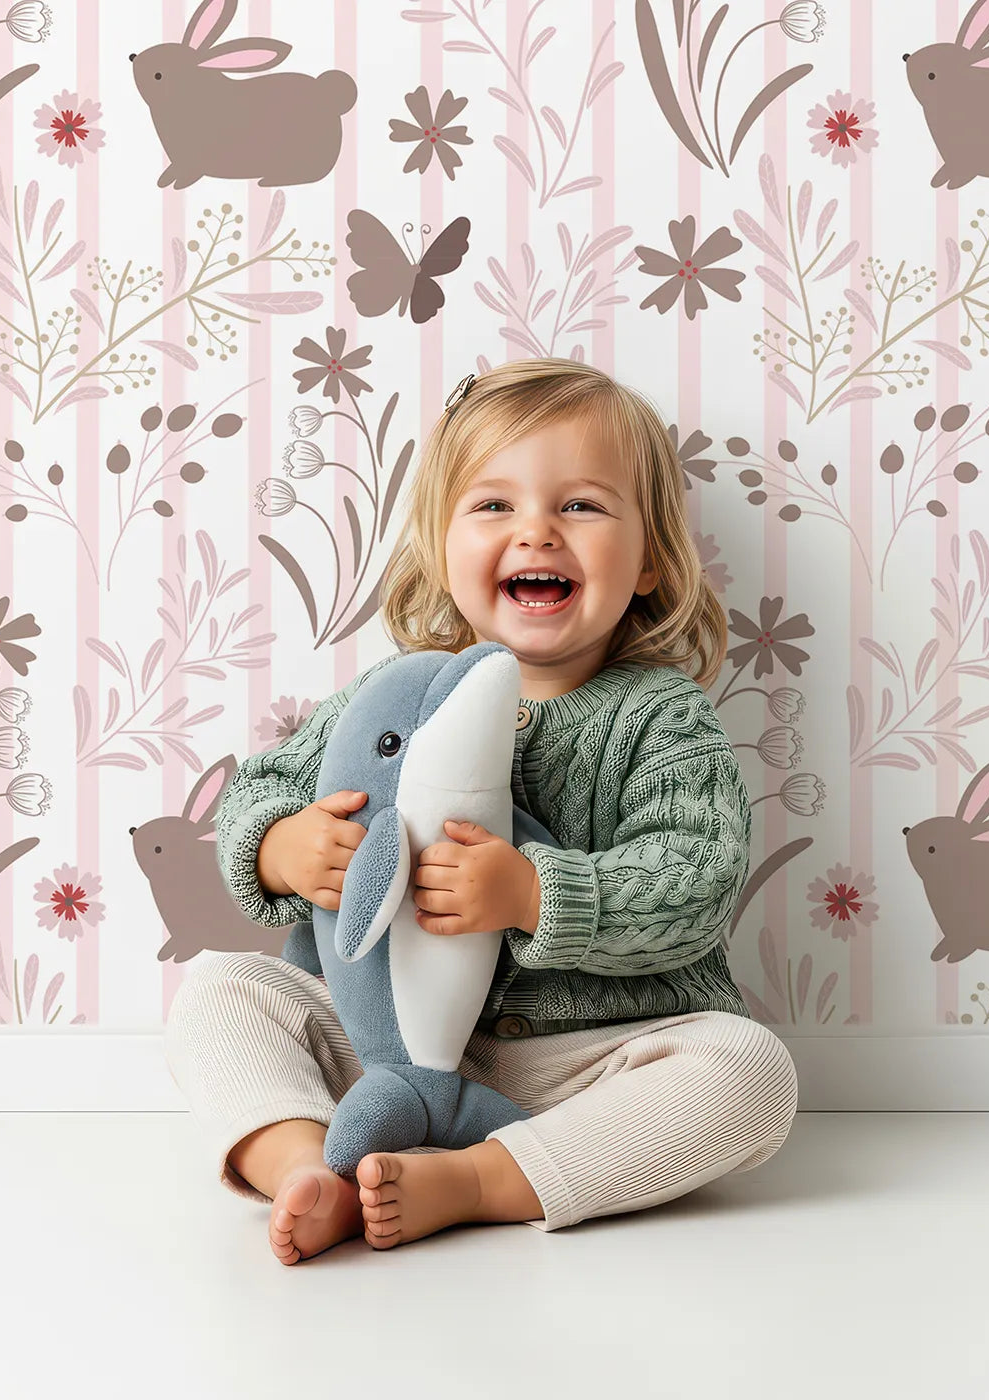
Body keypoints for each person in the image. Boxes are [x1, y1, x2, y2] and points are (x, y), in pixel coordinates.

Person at [164, 357, 798, 1264]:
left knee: (749, 1074)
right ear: (441, 548)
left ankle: (481, 1181)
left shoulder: (661, 716)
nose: (536, 531)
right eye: (494, 506)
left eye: (580, 505)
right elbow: (260, 788)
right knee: (220, 992)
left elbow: (695, 879)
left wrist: (536, 896)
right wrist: (280, 847)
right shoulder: (394, 694)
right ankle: (310, 1165)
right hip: (385, 1053)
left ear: (652, 556)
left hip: (575, 1067)